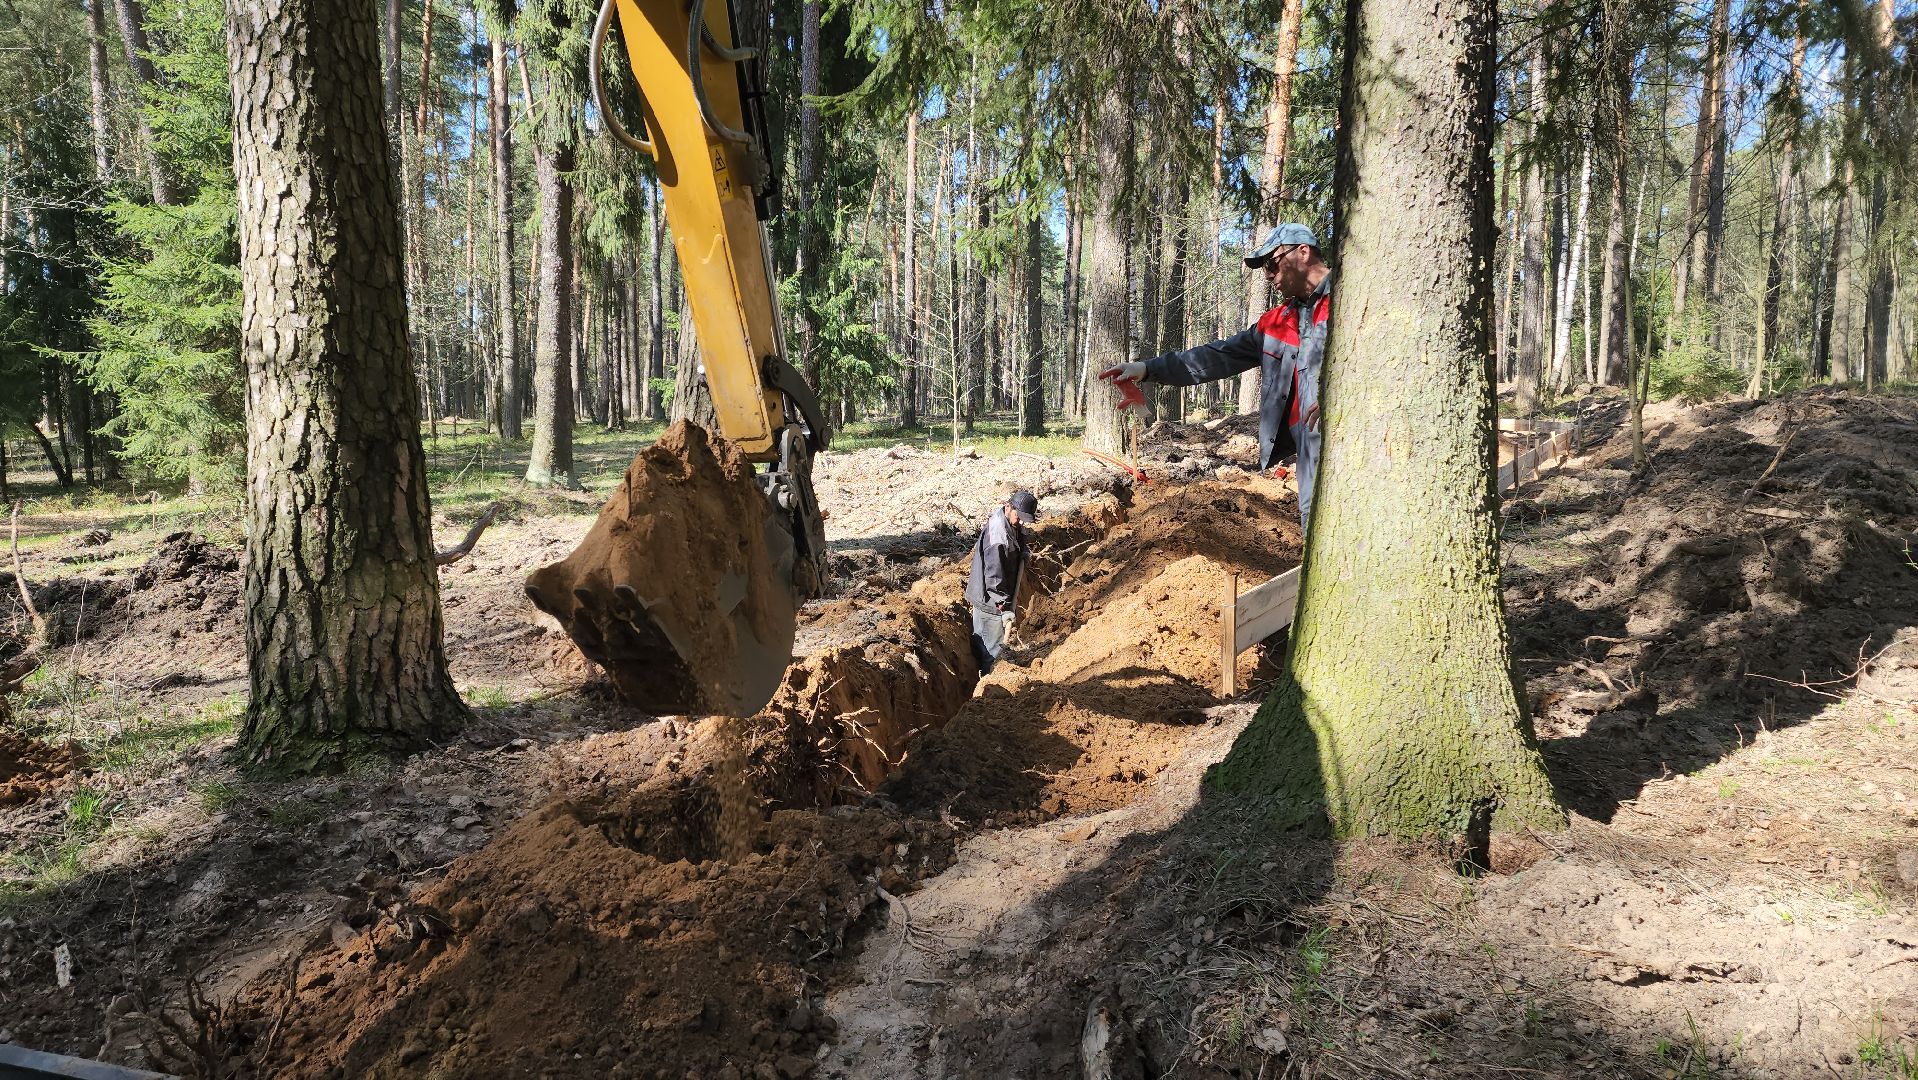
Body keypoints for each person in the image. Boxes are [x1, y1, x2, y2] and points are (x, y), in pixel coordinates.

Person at [1100, 222, 1332, 527]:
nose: (1268, 275)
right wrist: (1146, 369)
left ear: (1303, 252)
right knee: (1314, 527)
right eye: (1263, 268)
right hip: (1308, 450)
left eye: (1272, 263)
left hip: (1351, 444)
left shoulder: (1352, 303)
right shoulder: (1278, 322)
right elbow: (1217, 356)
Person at [964, 490, 1038, 673]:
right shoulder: (997, 535)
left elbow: (1019, 534)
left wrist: (1023, 551)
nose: (1020, 522)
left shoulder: (1011, 520)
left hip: (994, 597)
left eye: (1024, 519)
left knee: (989, 644)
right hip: (989, 601)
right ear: (1008, 507)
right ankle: (992, 687)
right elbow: (994, 577)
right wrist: (1003, 608)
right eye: (1019, 517)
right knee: (993, 652)